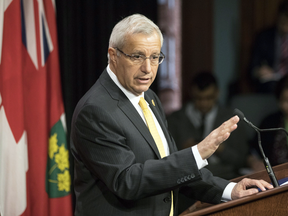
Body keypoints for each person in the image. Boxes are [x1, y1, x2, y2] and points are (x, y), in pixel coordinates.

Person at [70, 14, 272, 216]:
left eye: (155, 57)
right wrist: (198, 153)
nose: (148, 69)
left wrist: (230, 190)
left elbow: (171, 168)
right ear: (113, 56)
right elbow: (127, 181)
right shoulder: (95, 110)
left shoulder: (149, 97)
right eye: (137, 56)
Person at [167, 72, 249, 180]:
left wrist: (220, 150)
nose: (204, 103)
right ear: (191, 94)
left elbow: (242, 160)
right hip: (188, 179)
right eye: (198, 98)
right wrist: (185, 152)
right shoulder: (176, 119)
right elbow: (168, 159)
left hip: (224, 177)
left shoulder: (232, 118)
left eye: (209, 98)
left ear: (217, 94)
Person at [249, 74, 288, 169]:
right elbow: (253, 150)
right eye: (286, 100)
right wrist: (254, 161)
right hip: (274, 178)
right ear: (279, 101)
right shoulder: (270, 122)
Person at [249, 0, 288, 93]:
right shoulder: (264, 37)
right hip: (270, 84)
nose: (285, 28)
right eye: (283, 22)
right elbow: (252, 68)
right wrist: (259, 71)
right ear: (278, 18)